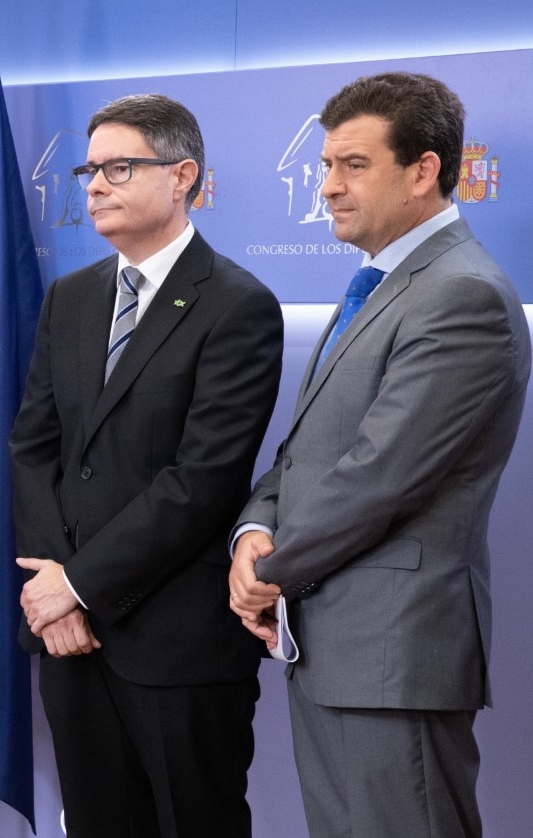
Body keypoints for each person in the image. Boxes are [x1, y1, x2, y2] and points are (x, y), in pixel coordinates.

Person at [230, 72, 531, 837]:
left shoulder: (463, 295)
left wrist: (265, 574)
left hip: (395, 658)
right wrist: (253, 530)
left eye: (352, 165)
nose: (327, 186)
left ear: (424, 170)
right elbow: (306, 452)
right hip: (334, 651)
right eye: (327, 165)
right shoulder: (378, 283)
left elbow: (380, 475)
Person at [11, 94, 284, 837]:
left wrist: (78, 584)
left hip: (177, 643)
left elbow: (202, 481)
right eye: (89, 168)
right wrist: (50, 588)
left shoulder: (239, 305)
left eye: (119, 167)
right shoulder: (71, 296)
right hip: (71, 638)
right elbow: (34, 446)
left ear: (183, 176)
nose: (95, 184)